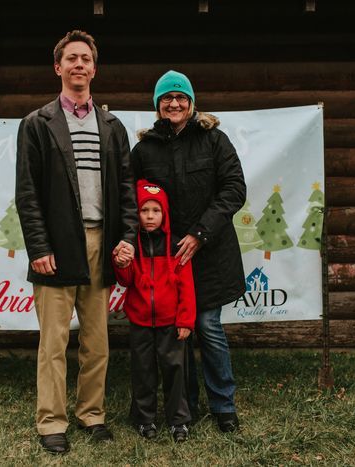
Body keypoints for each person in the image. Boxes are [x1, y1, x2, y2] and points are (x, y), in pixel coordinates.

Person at [15, 30, 138, 454]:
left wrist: (126, 239)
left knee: (96, 340)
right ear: (58, 67)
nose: (79, 65)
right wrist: (39, 247)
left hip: (101, 243)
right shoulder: (37, 124)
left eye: (86, 58)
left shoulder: (112, 126)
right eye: (71, 58)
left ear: (94, 67)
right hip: (58, 244)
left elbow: (126, 190)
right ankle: (51, 422)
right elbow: (27, 193)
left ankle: (93, 415)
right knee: (53, 343)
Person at [130, 70, 246, 433]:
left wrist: (199, 233)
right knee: (177, 332)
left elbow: (234, 189)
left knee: (207, 326)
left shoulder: (214, 140)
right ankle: (186, 406)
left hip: (210, 252)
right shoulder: (145, 149)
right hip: (165, 259)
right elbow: (130, 199)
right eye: (167, 98)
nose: (174, 103)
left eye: (180, 97)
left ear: (191, 102)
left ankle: (223, 405)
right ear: (157, 105)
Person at [113, 180, 196, 443]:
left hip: (171, 322)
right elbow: (126, 281)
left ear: (164, 214)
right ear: (136, 213)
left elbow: (187, 287)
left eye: (155, 211)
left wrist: (185, 320)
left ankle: (179, 421)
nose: (150, 216)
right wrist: (121, 263)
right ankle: (144, 418)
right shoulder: (131, 245)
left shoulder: (175, 246)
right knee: (143, 371)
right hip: (140, 321)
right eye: (144, 210)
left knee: (175, 370)